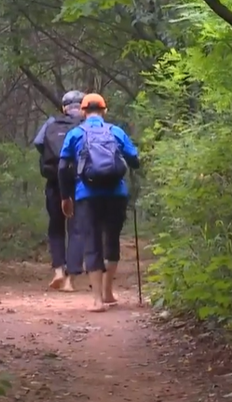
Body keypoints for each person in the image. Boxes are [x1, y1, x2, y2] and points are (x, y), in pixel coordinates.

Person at [58, 93, 140, 312]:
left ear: (83, 112)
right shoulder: (116, 131)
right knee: (111, 240)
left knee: (92, 242)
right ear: (105, 111)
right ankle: (108, 292)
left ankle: (96, 300)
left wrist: (66, 197)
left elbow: (62, 167)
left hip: (87, 195)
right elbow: (135, 160)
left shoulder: (75, 133)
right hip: (116, 194)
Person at [32, 90, 85, 292]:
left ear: (64, 107)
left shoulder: (51, 122)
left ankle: (58, 271)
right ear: (82, 106)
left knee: (56, 226)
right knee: (76, 229)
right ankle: (71, 279)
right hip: (79, 182)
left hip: (54, 181)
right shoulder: (84, 126)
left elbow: (38, 143)